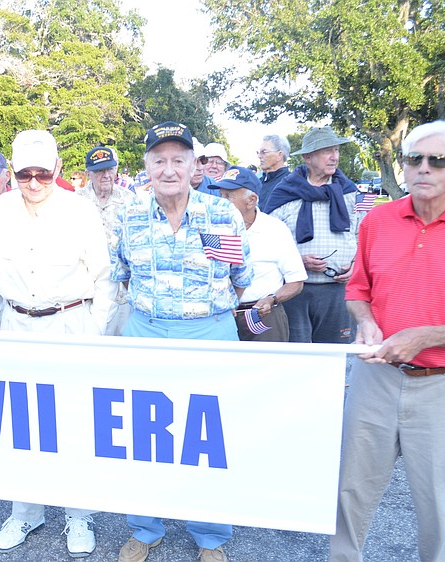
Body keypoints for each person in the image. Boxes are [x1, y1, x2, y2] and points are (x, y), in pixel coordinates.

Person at [329, 120, 445, 562]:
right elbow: (358, 289)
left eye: (438, 160)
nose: (423, 168)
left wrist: (425, 336)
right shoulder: (378, 220)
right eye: (415, 159)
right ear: (403, 166)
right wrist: (366, 321)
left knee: (440, 508)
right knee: (348, 495)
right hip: (375, 381)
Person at [111, 122, 252, 562]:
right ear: (147, 166)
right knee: (144, 435)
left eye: (178, 160)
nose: (168, 169)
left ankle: (210, 536)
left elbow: (241, 279)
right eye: (159, 160)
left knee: (207, 438)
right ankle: (145, 528)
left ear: (194, 165)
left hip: (209, 332)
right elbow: (122, 272)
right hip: (146, 331)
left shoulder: (221, 214)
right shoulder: (128, 214)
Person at [0, 129, 116, 559]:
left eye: (42, 174)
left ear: (57, 169)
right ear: (12, 174)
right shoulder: (1, 208)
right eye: (24, 175)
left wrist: (91, 336)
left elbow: (103, 279)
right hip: (17, 327)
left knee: (73, 424)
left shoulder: (79, 210)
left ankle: (78, 514)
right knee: (21, 427)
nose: (34, 183)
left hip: (70, 324)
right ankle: (26, 511)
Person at [263, 125, 363, 344]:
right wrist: (297, 262)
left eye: (336, 150)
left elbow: (363, 235)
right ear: (308, 157)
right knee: (297, 359)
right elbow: (266, 242)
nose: (334, 157)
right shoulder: (284, 193)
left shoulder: (350, 192)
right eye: (327, 151)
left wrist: (356, 264)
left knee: (336, 358)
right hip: (295, 292)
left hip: (338, 291)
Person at [215, 166, 306, 342]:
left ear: (251, 200)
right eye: (220, 195)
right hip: (222, 318)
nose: (220, 202)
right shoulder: (214, 228)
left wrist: (272, 299)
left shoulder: (275, 229)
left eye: (228, 197)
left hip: (265, 316)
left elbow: (296, 282)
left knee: (270, 368)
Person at [79, 146, 136, 335]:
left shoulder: (130, 200)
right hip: (86, 296)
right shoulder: (76, 202)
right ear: (88, 173)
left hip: (122, 295)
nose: (106, 175)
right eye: (99, 170)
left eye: (110, 169)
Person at [257, 134, 291, 209]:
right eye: (258, 152)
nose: (259, 156)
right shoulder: (257, 182)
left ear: (279, 155)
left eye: (264, 152)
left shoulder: (290, 183)